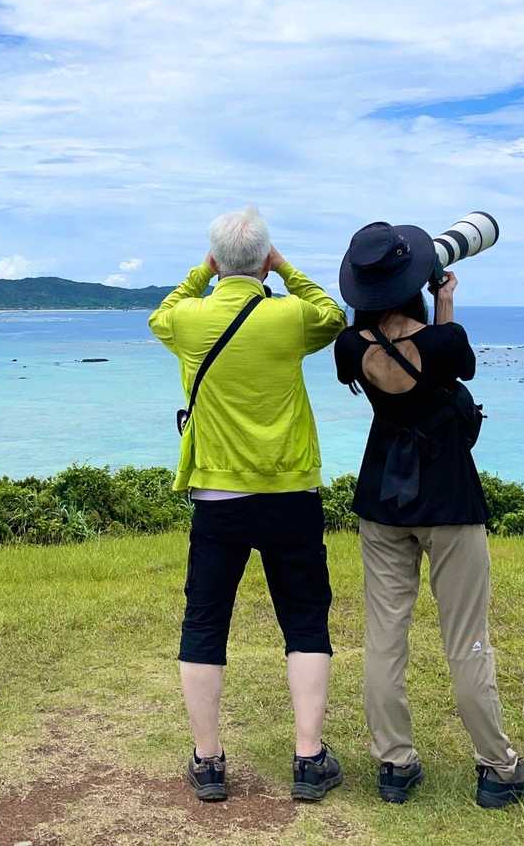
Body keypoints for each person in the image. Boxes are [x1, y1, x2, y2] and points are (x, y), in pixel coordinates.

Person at [333, 221, 524, 810]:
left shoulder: (349, 347)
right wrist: (445, 298)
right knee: (466, 639)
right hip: (449, 500)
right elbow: (443, 359)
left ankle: (395, 765)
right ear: (417, 284)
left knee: (385, 637)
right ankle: (498, 769)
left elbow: (390, 361)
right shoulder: (445, 340)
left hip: (383, 499)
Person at [148, 205, 347, 804]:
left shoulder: (189, 320)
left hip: (218, 496)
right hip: (290, 492)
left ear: (215, 260)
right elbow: (332, 314)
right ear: (265, 259)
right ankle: (308, 758)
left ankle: (208, 762)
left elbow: (160, 314)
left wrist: (201, 273)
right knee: (305, 622)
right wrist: (284, 269)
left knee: (205, 623)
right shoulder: (289, 317)